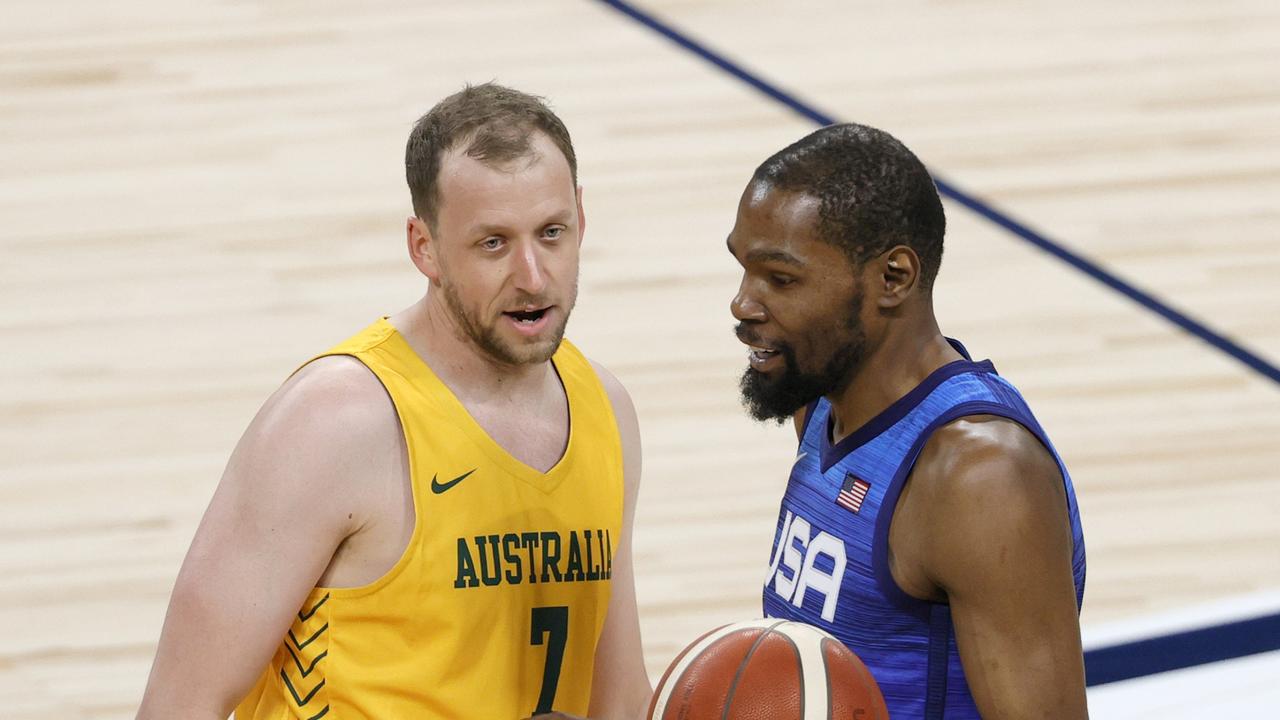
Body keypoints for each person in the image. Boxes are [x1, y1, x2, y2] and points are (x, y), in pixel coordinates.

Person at [136, 83, 652, 720]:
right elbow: (180, 704)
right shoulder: (334, 423)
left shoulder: (606, 410)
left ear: (582, 216)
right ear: (424, 247)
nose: (533, 275)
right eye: (492, 243)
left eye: (551, 233)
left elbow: (621, 702)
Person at [728, 123, 1088, 719]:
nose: (742, 303)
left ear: (892, 278)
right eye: (743, 268)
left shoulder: (979, 476)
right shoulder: (822, 404)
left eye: (780, 279)